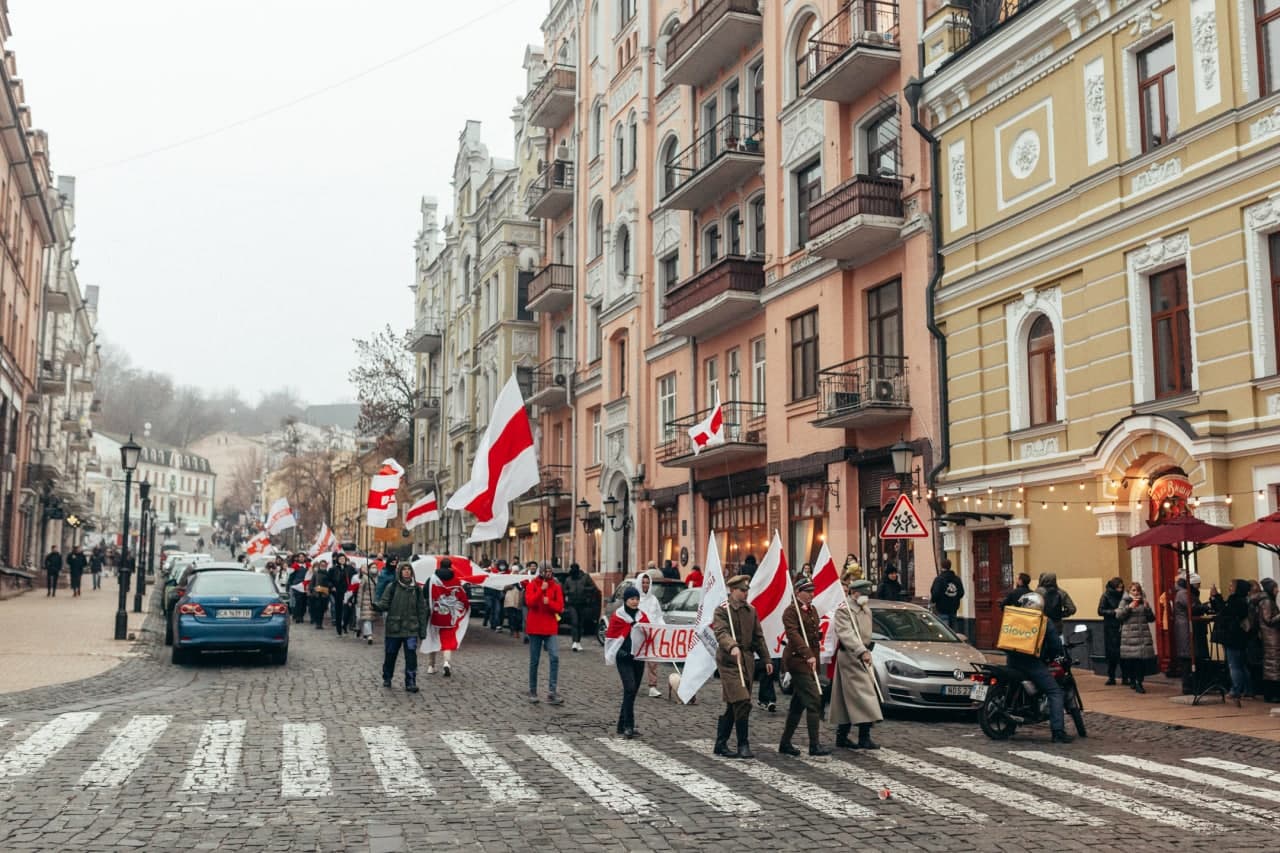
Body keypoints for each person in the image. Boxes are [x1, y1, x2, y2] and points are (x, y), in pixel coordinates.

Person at [711, 574, 771, 759]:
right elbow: (720, 632)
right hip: (729, 662)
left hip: (746, 661)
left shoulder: (751, 611)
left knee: (734, 704)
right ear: (732, 590)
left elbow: (758, 637)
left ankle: (720, 744)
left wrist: (766, 659)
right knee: (742, 700)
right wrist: (732, 646)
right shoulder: (722, 610)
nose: (745, 594)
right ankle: (743, 744)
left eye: (747, 590)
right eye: (742, 590)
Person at [1005, 591, 1073, 743]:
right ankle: (1058, 732)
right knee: (1054, 692)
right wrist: (1057, 655)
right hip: (1032, 663)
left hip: (1012, 660)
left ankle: (1011, 721)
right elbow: (1055, 643)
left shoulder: (1014, 617)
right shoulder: (1043, 621)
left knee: (1012, 683)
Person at [830, 577, 884, 750]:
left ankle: (843, 735)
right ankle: (864, 736)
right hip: (851, 657)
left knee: (849, 699)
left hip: (863, 655)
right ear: (854, 593)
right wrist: (861, 650)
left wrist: (866, 649)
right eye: (864, 593)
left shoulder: (865, 608)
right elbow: (846, 633)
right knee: (864, 696)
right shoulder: (845, 610)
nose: (866, 597)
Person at [779, 579, 831, 757]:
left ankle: (785, 743)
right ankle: (814, 745)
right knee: (814, 700)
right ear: (798, 592)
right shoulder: (791, 611)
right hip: (798, 660)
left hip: (810, 661)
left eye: (813, 591)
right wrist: (807, 653)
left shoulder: (812, 609)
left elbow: (813, 632)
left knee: (797, 704)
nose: (812, 594)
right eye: (808, 591)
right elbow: (793, 635)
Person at [374, 562, 429, 693]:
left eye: (408, 569)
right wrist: (377, 606)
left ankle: (411, 682)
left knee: (411, 657)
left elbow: (422, 610)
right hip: (394, 628)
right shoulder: (392, 587)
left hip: (411, 628)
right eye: (404, 569)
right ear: (399, 572)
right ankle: (387, 676)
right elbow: (384, 603)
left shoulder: (416, 589)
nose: (406, 572)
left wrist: (422, 630)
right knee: (390, 655)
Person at [605, 585, 646, 738]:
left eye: (637, 599)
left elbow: (651, 633)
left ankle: (621, 725)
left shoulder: (642, 616)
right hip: (623, 657)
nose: (635, 602)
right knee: (629, 688)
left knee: (633, 692)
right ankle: (629, 725)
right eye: (632, 599)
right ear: (625, 600)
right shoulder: (618, 617)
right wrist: (621, 652)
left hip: (638, 658)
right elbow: (612, 638)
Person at [524, 562, 565, 705]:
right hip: (535, 627)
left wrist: (550, 603)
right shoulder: (532, 585)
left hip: (550, 627)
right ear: (541, 572)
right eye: (546, 570)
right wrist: (541, 590)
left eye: (550, 570)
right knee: (534, 661)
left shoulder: (556, 587)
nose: (548, 573)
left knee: (554, 657)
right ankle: (533, 690)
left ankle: (552, 692)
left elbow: (560, 607)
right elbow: (529, 602)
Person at [1214, 579, 1255, 706]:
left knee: (1234, 665)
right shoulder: (1243, 601)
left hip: (1233, 637)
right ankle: (1248, 690)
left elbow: (1225, 612)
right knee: (1241, 664)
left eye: (1232, 586)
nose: (1229, 587)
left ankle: (1235, 690)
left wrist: (1217, 597)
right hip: (1239, 637)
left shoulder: (1236, 601)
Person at [426, 559, 468, 676]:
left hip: (435, 613)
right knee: (447, 640)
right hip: (450, 616)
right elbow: (462, 597)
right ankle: (446, 663)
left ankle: (431, 666)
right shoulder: (455, 580)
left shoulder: (432, 579)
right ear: (450, 567)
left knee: (433, 639)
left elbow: (425, 593)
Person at [1173, 574, 1214, 694]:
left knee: (1192, 657)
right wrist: (1206, 606)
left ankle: (1194, 686)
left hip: (1189, 630)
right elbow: (1193, 608)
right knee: (1189, 658)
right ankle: (1189, 687)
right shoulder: (1184, 594)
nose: (1199, 586)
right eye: (1198, 584)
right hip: (1188, 631)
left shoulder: (1186, 593)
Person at [1115, 581, 1156, 693]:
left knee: (1140, 661)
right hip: (1129, 636)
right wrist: (1129, 607)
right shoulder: (1125, 602)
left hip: (1142, 635)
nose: (1136, 592)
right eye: (1133, 590)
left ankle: (1139, 682)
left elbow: (1152, 618)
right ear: (1129, 592)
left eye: (1138, 590)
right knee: (1132, 661)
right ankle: (1132, 680)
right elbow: (1118, 616)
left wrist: (1147, 608)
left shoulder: (1143, 602)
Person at [636, 570, 665, 698]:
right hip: (639, 635)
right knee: (637, 662)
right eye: (643, 582)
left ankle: (652, 686)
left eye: (647, 582)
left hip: (652, 634)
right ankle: (634, 684)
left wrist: (663, 627)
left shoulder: (653, 600)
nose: (645, 585)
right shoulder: (635, 599)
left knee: (653, 661)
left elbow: (658, 616)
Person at [562, 562, 598, 652]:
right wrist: (569, 592)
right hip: (572, 604)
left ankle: (578, 642)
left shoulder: (585, 577)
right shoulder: (568, 579)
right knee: (574, 622)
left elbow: (593, 587)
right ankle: (574, 642)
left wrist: (584, 590)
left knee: (580, 623)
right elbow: (564, 589)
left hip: (583, 603)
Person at [1098, 577, 1125, 685]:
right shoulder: (1106, 596)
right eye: (1119, 587)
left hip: (1122, 625)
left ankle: (1125, 676)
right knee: (1112, 653)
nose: (1121, 589)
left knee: (1123, 653)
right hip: (1110, 627)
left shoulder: (1124, 596)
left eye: (1122, 587)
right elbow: (1100, 610)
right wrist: (1113, 612)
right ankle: (1111, 676)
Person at [1256, 578, 1280, 702]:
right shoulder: (1267, 602)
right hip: (1272, 638)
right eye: (1276, 588)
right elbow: (1269, 619)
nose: (1278, 590)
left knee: (1272, 665)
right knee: (1273, 666)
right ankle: (1273, 694)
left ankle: (1271, 694)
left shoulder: (1267, 601)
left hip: (1270, 637)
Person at [929, 558, 964, 630]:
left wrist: (933, 601)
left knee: (944, 631)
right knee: (953, 632)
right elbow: (961, 593)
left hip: (942, 609)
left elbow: (935, 593)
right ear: (950, 566)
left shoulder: (939, 579)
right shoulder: (957, 579)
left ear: (941, 566)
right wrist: (954, 599)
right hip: (953, 609)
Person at [329, 554, 355, 637]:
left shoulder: (350, 568)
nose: (342, 560)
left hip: (348, 592)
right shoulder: (333, 569)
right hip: (338, 592)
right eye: (340, 558)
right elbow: (328, 580)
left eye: (343, 558)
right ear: (337, 560)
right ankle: (339, 629)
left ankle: (345, 625)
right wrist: (332, 587)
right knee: (338, 610)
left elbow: (355, 578)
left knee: (348, 610)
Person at [309, 558, 331, 629]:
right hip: (317, 595)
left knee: (323, 609)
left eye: (324, 565)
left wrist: (328, 587)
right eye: (321, 565)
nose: (323, 566)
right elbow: (312, 583)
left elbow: (330, 583)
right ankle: (318, 623)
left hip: (325, 594)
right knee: (317, 609)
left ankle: (320, 623)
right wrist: (313, 589)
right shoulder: (316, 573)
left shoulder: (328, 574)